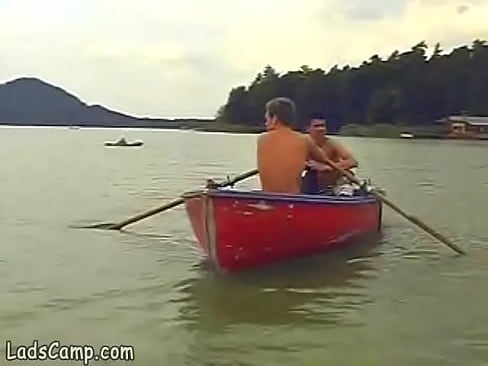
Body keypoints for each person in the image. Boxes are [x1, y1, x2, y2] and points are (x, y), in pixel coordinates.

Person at [257, 97, 331, 194]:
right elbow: (325, 160)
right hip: (292, 199)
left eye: (267, 119)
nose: (266, 123)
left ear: (274, 118)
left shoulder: (262, 139)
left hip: (268, 199)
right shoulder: (304, 140)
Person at [301, 113, 358, 194]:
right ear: (308, 129)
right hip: (314, 184)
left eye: (323, 126)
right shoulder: (302, 144)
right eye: (316, 126)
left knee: (346, 176)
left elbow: (352, 161)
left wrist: (328, 167)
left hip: (333, 184)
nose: (321, 129)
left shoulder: (332, 143)